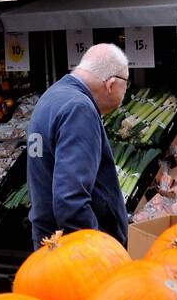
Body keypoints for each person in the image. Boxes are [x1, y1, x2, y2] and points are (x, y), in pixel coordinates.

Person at [27, 43, 131, 248]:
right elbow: (70, 200)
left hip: (49, 242)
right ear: (111, 84)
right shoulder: (79, 108)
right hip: (75, 253)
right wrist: (99, 249)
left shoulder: (51, 97)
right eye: (127, 85)